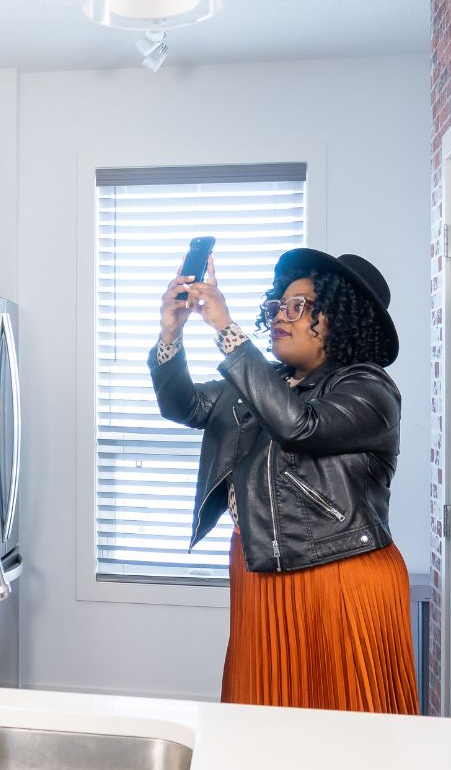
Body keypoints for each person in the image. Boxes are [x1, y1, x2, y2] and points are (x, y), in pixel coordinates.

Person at [148, 247, 418, 713]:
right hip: (261, 569)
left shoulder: (371, 390)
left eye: (299, 307)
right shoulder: (262, 381)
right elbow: (185, 405)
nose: (280, 317)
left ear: (340, 321)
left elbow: (300, 425)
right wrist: (171, 334)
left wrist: (227, 331)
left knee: (352, 727)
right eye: (277, 306)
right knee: (264, 722)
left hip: (339, 575)